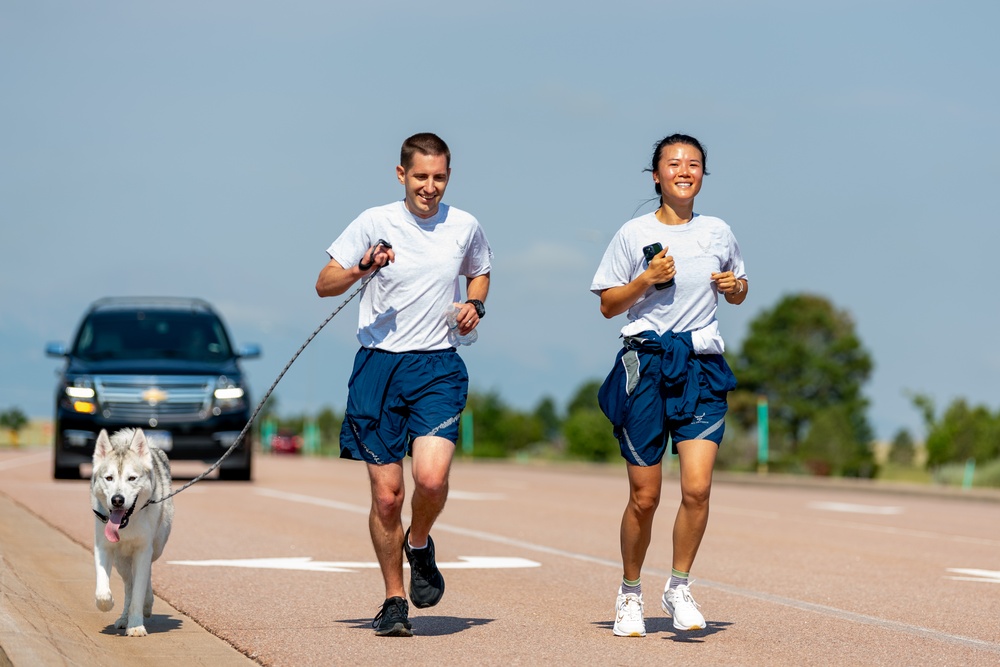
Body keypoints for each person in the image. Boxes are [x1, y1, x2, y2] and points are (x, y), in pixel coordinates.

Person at [315, 132, 492, 637]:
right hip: (378, 368)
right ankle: (395, 599)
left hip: (438, 366)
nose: (429, 187)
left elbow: (479, 273)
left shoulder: (465, 226)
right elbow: (324, 282)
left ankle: (420, 543)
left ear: (448, 177)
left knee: (431, 480)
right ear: (401, 175)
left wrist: (474, 306)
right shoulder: (375, 222)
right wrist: (360, 267)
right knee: (388, 496)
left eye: (438, 177)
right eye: (420, 177)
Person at [590, 133, 747, 637]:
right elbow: (608, 304)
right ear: (655, 175)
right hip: (648, 364)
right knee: (645, 496)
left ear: (704, 174)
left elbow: (739, 288)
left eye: (694, 164)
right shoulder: (633, 234)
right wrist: (646, 279)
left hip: (701, 365)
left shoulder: (719, 232)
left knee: (698, 489)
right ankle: (630, 593)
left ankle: (678, 586)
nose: (684, 170)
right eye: (673, 163)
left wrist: (735, 287)